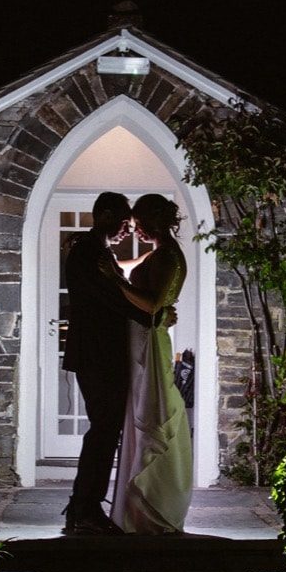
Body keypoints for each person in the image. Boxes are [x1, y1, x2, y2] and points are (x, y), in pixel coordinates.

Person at [61, 192, 149, 536]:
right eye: (124, 220)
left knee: (105, 430)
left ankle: (84, 504)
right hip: (97, 354)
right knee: (103, 431)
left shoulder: (95, 250)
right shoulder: (88, 251)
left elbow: (113, 290)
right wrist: (151, 316)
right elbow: (108, 299)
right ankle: (85, 506)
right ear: (107, 214)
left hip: (100, 353)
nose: (127, 229)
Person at [107, 193, 192, 535]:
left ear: (151, 221)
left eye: (138, 222)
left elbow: (154, 303)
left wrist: (114, 282)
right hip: (145, 337)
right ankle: (141, 502)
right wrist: (114, 267)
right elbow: (133, 270)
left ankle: (155, 500)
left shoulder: (168, 257)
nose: (134, 229)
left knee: (151, 412)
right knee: (142, 410)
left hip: (151, 340)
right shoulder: (160, 254)